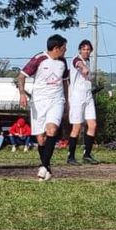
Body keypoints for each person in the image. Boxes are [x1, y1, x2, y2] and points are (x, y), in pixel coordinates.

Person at [17, 34, 69, 182]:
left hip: (56, 100)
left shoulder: (63, 62)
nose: (65, 51)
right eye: (64, 48)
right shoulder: (39, 59)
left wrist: (67, 102)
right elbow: (21, 76)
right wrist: (22, 93)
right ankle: (47, 167)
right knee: (41, 138)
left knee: (51, 130)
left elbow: (65, 82)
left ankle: (44, 166)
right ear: (56, 48)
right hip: (39, 102)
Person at [67, 39, 99, 165]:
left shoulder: (88, 61)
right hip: (77, 96)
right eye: (84, 49)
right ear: (80, 50)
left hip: (88, 95)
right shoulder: (76, 59)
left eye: (88, 49)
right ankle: (71, 156)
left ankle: (87, 154)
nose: (86, 51)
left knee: (92, 125)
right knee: (77, 127)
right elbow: (78, 64)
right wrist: (83, 67)